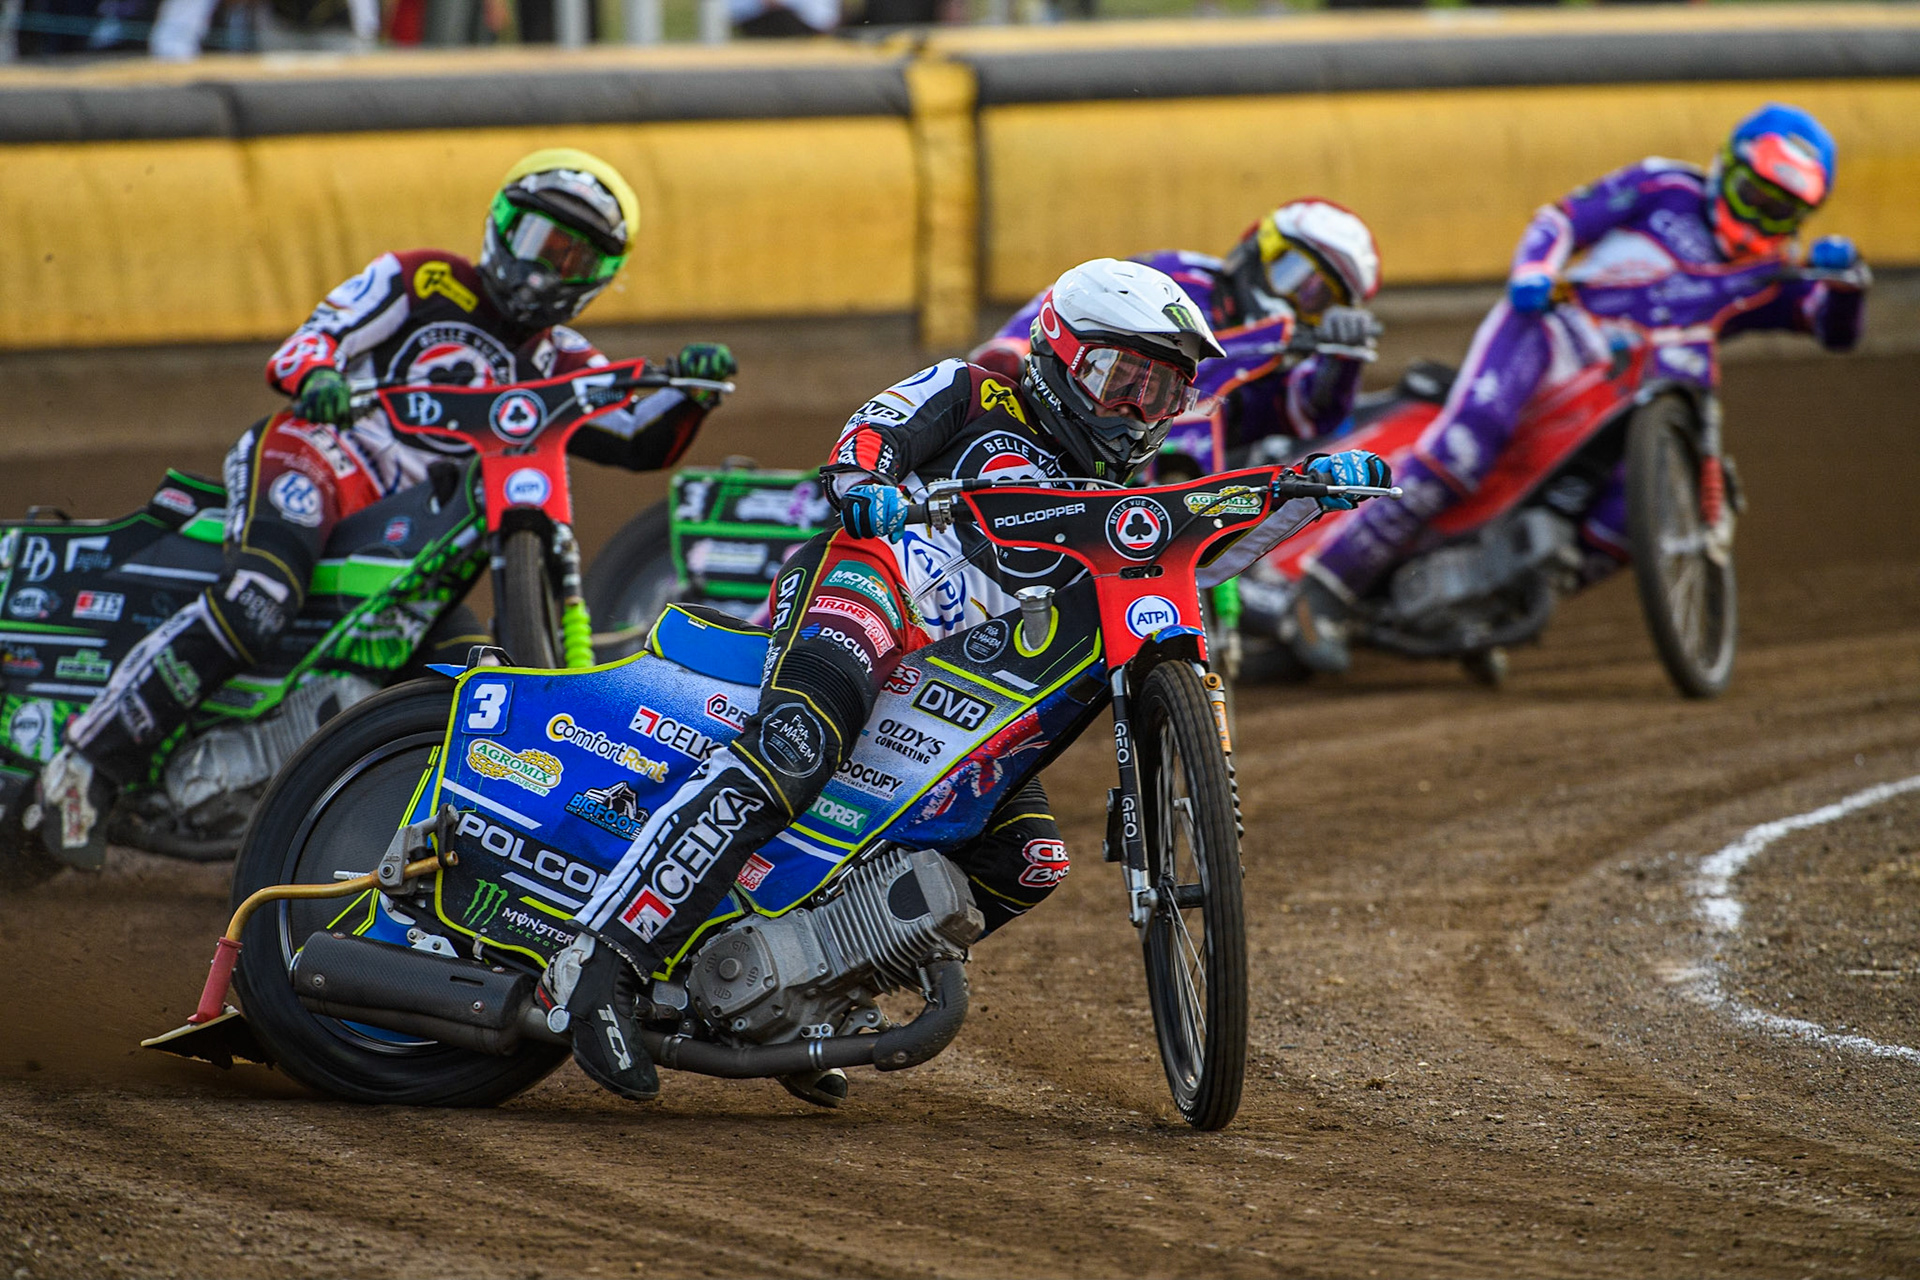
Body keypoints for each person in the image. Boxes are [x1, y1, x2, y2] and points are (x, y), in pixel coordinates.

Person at [540, 257, 1389, 1105]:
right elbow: (871, 432)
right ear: (1060, 353)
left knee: (1027, 860)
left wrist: (1306, 491)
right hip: (870, 584)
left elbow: (1196, 559)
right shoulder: (976, 392)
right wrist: (865, 481)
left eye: (1161, 393)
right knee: (797, 745)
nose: (1137, 411)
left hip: (958, 686)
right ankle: (601, 962)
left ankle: (807, 994)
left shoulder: (1115, 501)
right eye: (1120, 379)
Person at [36, 148, 737, 868]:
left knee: (469, 682)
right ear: (502, 224)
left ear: (599, 277)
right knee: (260, 596)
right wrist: (318, 375)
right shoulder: (423, 278)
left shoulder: (563, 360)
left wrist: (689, 393)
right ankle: (87, 762)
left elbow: (636, 437)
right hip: (319, 458)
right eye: (537, 241)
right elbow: (315, 338)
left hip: (415, 540)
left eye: (572, 258)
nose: (544, 269)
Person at [1288, 102, 1870, 674]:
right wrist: (1535, 270)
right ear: (1725, 168)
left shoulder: (1776, 274)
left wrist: (1849, 286)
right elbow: (1562, 220)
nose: (1760, 219)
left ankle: (1490, 606)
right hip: (1551, 333)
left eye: (1780, 212)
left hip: (1635, 393)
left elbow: (1832, 329)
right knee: (1466, 448)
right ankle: (1325, 590)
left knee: (1630, 520)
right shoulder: (1664, 186)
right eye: (1752, 197)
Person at [972, 199, 1383, 458]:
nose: (1298, 296)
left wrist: (1341, 360)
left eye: (1319, 297)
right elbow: (1076, 294)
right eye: (1292, 272)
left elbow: (1309, 418)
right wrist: (1012, 348)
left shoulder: (1294, 357)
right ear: (1258, 247)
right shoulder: (1177, 276)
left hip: (1207, 490)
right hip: (1085, 439)